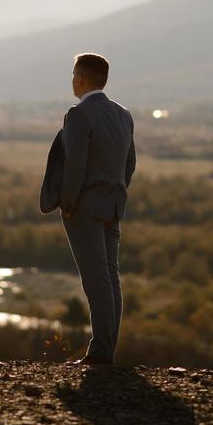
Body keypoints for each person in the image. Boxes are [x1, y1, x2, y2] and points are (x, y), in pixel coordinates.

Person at [40, 52, 136, 366]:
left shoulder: (78, 114)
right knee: (110, 277)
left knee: (95, 280)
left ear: (80, 79)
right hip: (112, 205)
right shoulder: (123, 114)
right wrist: (115, 192)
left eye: (73, 75)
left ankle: (100, 354)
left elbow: (76, 163)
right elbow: (129, 163)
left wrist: (68, 203)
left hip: (84, 209)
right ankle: (106, 349)